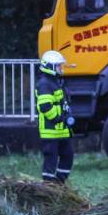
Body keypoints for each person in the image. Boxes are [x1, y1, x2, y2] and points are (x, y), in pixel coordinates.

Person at [36, 50, 75, 183]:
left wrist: (67, 116)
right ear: (50, 67)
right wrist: (59, 118)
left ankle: (59, 184)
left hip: (61, 130)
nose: (61, 68)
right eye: (58, 66)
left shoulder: (56, 82)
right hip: (51, 131)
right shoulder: (44, 84)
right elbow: (45, 106)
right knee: (51, 159)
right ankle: (48, 187)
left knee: (68, 156)